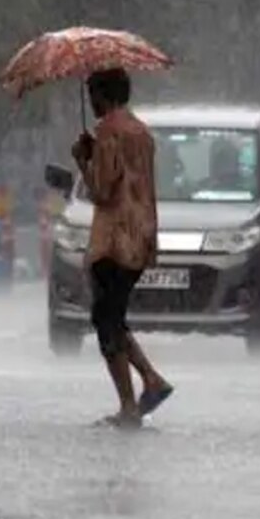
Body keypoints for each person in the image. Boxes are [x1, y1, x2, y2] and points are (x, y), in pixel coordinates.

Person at [72, 68, 174, 429]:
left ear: (105, 95)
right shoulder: (142, 133)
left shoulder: (109, 133)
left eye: (93, 94)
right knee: (111, 317)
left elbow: (101, 190)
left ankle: (138, 397)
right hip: (141, 235)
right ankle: (143, 388)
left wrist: (82, 159)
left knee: (106, 321)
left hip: (113, 241)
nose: (90, 102)